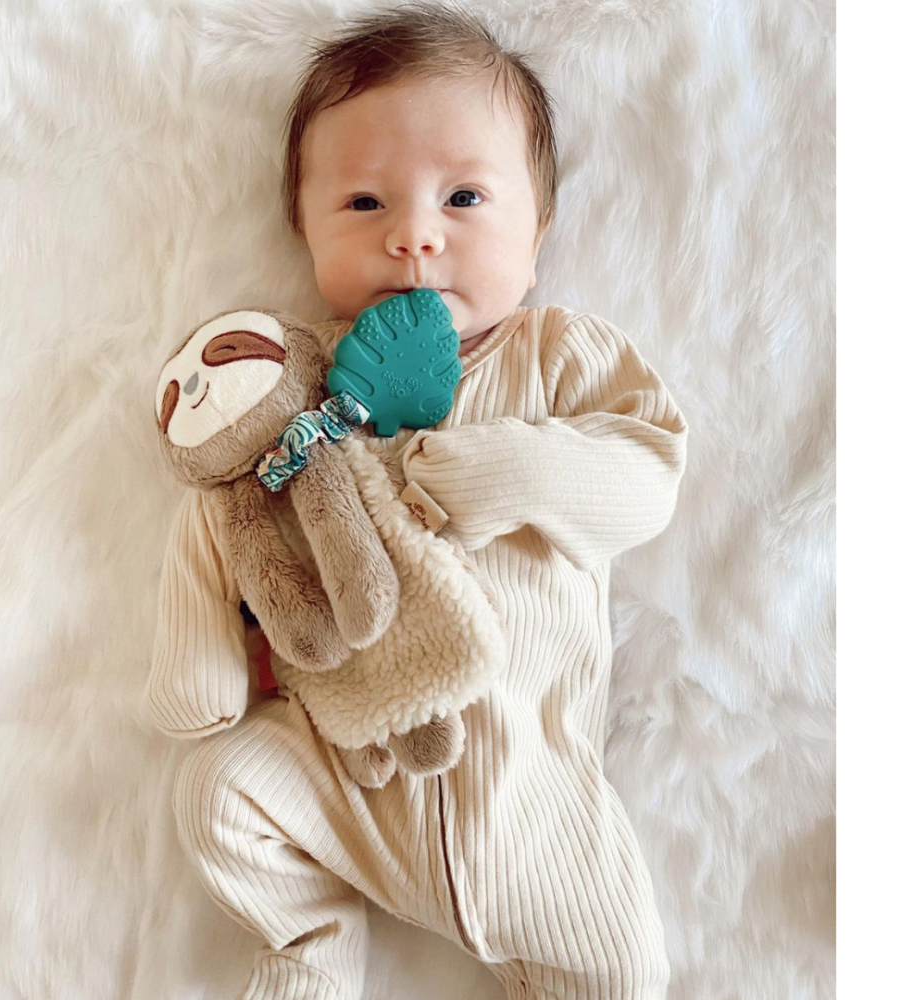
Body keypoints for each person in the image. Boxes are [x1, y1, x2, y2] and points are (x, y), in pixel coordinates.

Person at [150, 4, 688, 998]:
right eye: (362, 204)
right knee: (219, 794)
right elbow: (240, 517)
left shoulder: (556, 355)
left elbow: (646, 475)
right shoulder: (295, 390)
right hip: (356, 784)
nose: (413, 237)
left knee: (626, 972)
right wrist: (211, 639)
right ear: (303, 232)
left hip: (536, 803)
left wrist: (506, 470)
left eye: (466, 197)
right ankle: (311, 943)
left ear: (539, 230)